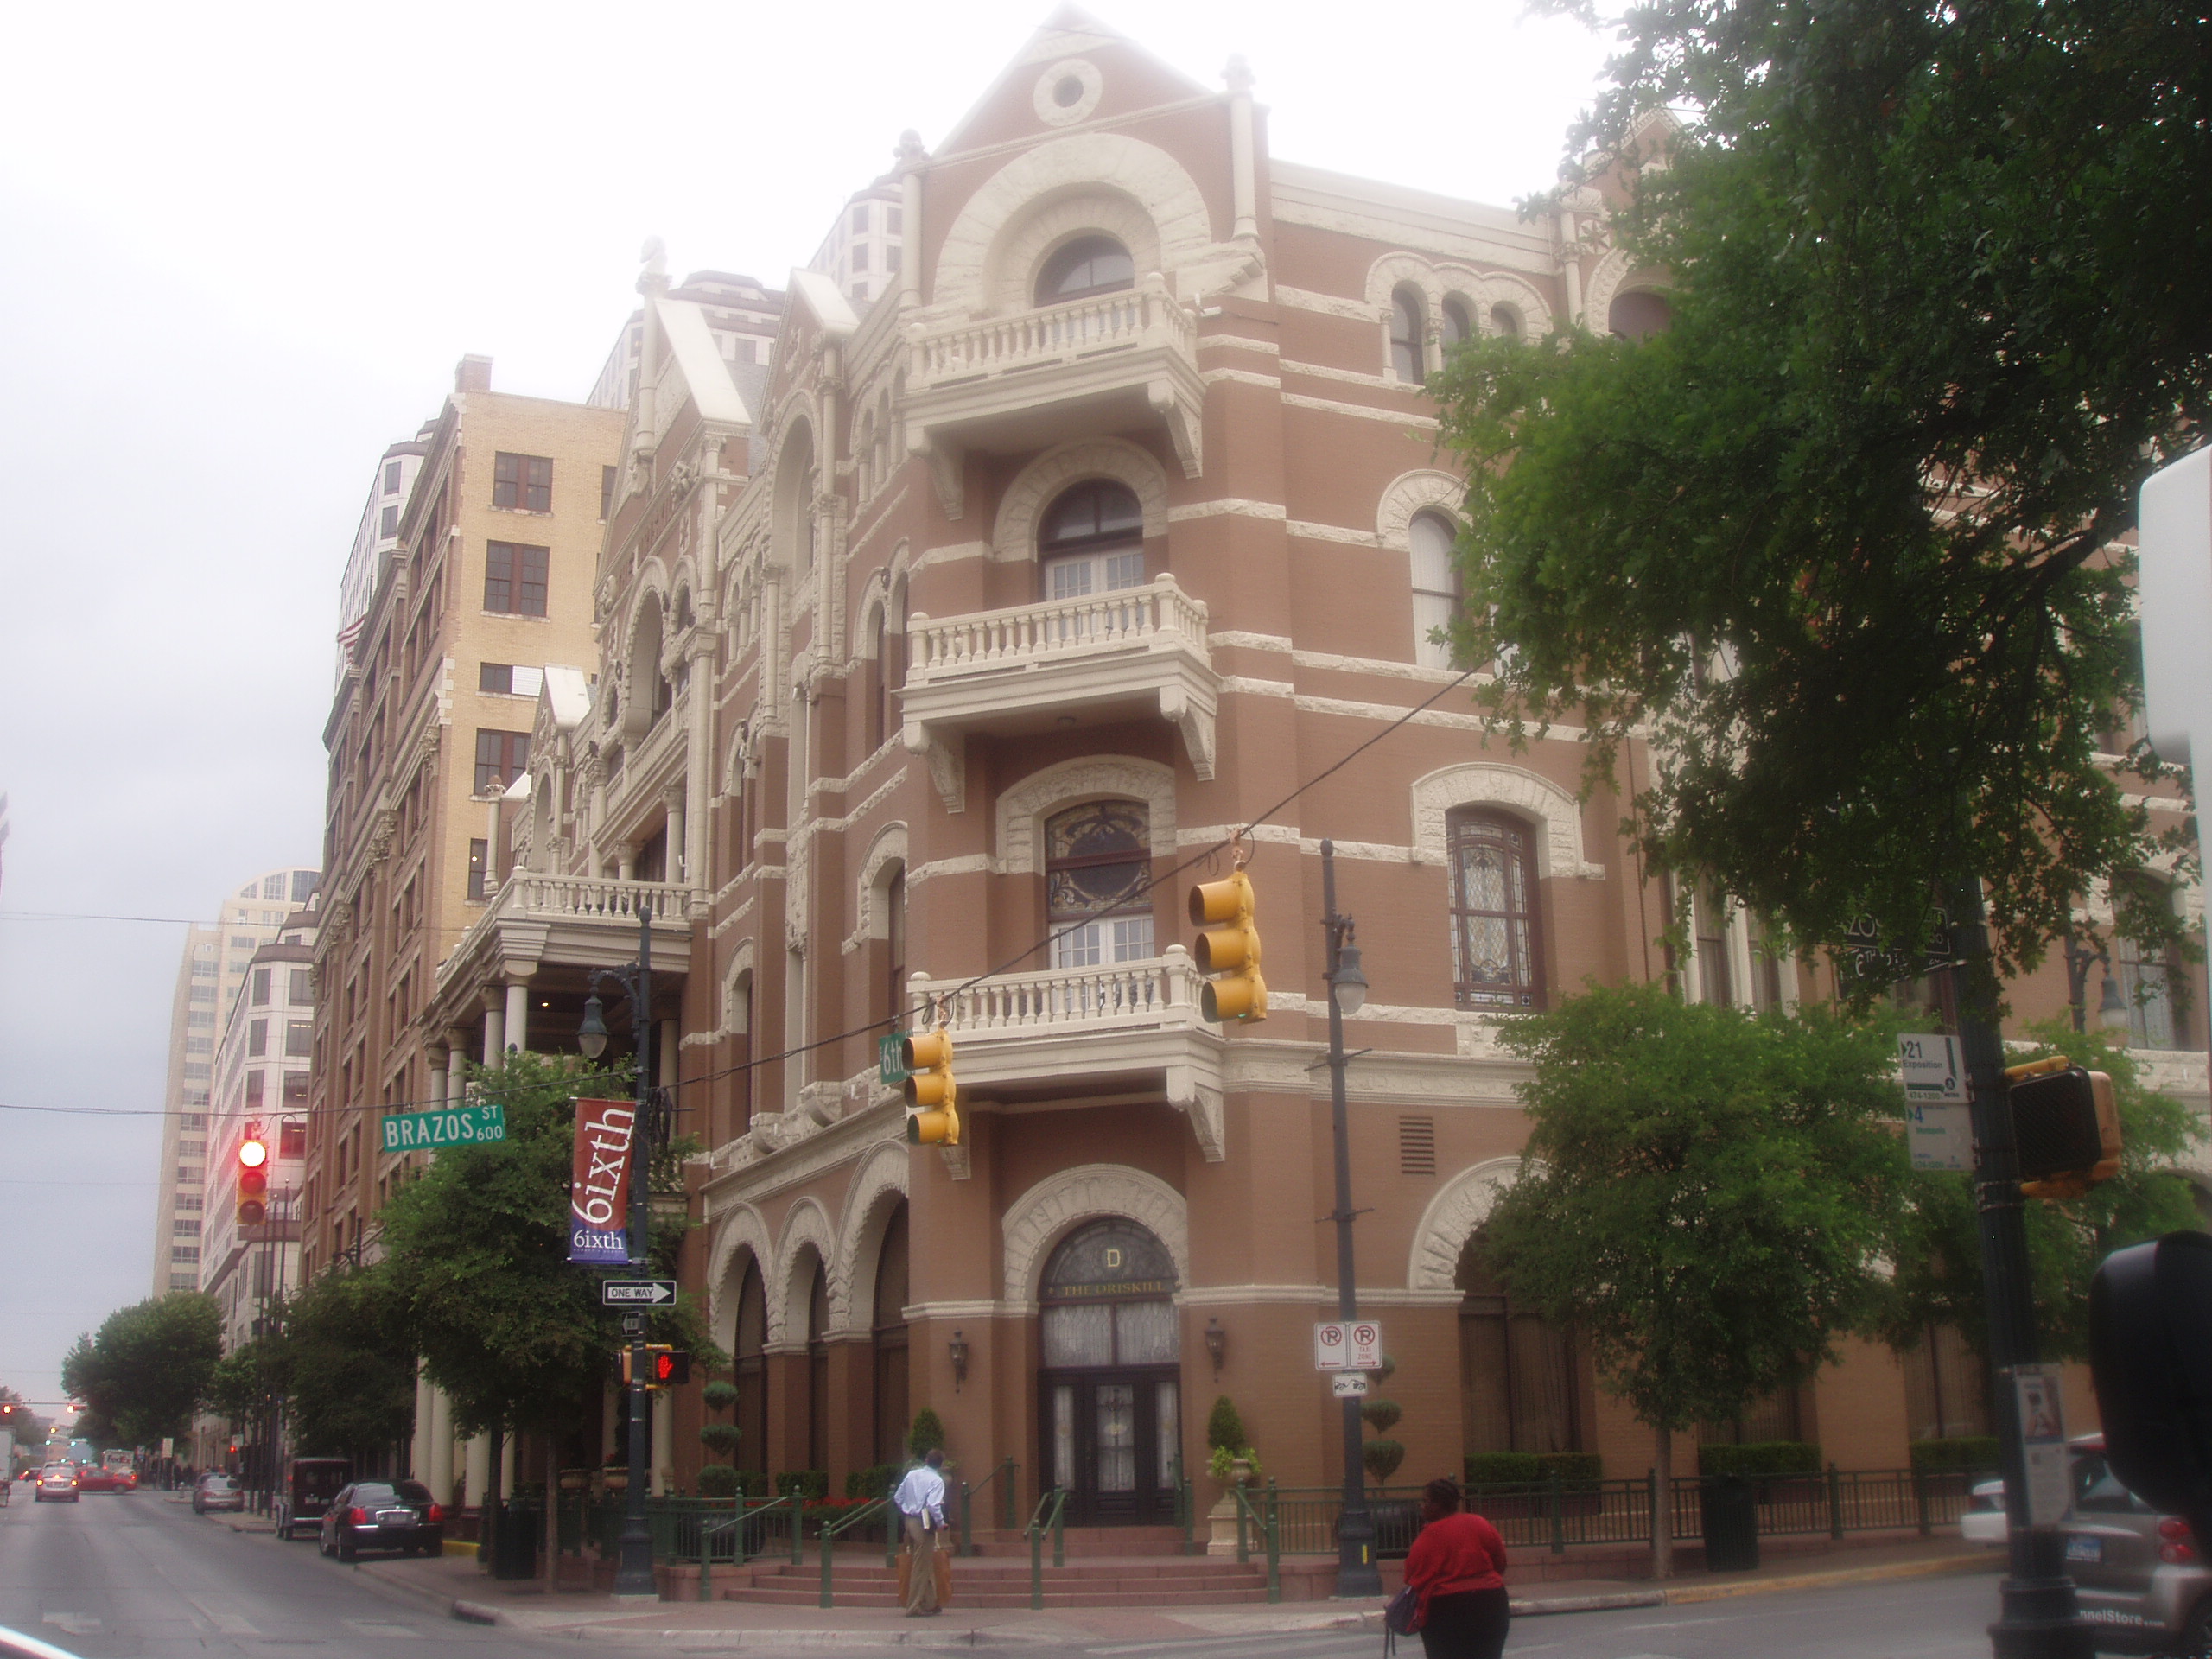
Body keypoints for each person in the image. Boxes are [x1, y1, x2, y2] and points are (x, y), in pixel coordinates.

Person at [1401, 1476, 1510, 1659]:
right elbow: (1499, 1560)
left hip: (1445, 1607)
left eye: (1425, 1501)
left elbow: (1413, 1576)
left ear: (1437, 1505)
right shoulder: (1478, 1523)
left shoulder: (1428, 1537)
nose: (1422, 1506)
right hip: (1491, 1601)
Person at [891, 1449, 949, 1617]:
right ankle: (914, 1605)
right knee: (921, 1566)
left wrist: (907, 1509)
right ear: (941, 1465)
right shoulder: (937, 1480)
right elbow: (933, 1505)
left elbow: (898, 1497)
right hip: (923, 1523)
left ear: (926, 1460)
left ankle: (930, 1602)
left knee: (925, 1562)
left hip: (909, 1520)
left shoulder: (912, 1475)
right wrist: (941, 1523)